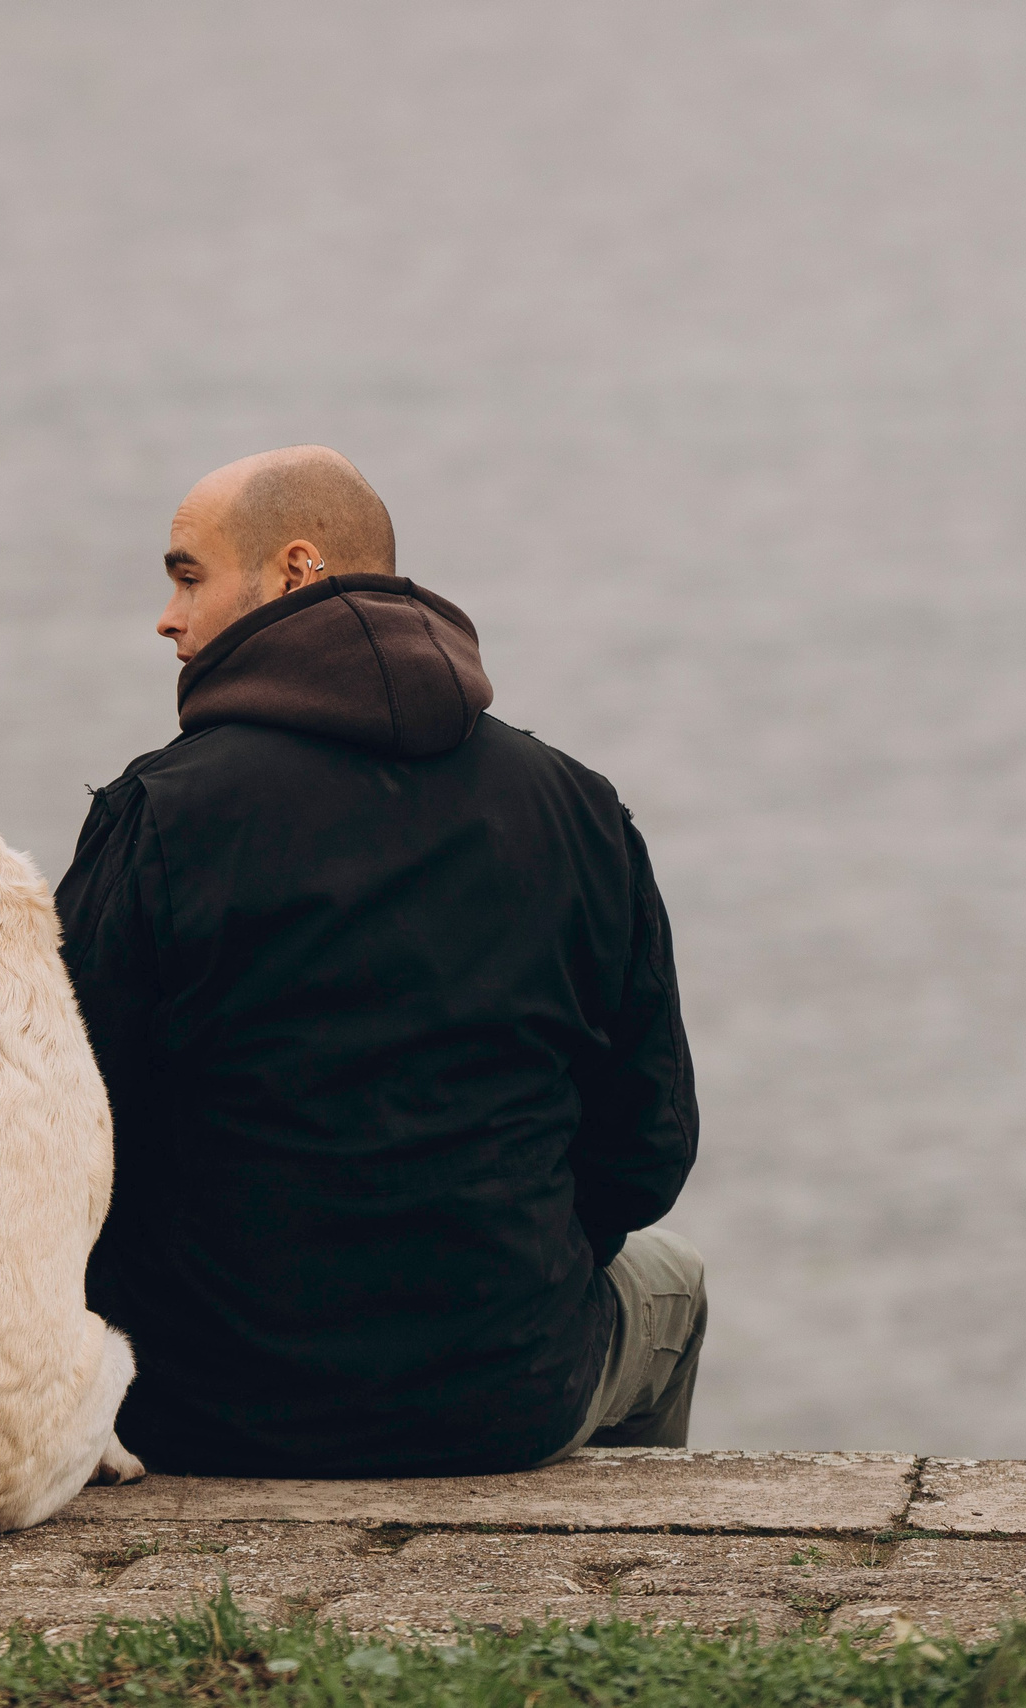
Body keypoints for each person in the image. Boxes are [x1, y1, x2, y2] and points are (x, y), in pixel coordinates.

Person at [56, 447, 702, 1478]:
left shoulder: (160, 815)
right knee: (673, 1282)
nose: (166, 620)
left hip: (205, 1401)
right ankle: (609, 1564)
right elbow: (648, 1147)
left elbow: (61, 1125)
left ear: (295, 570)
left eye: (187, 576)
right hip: (508, 1393)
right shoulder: (576, 807)